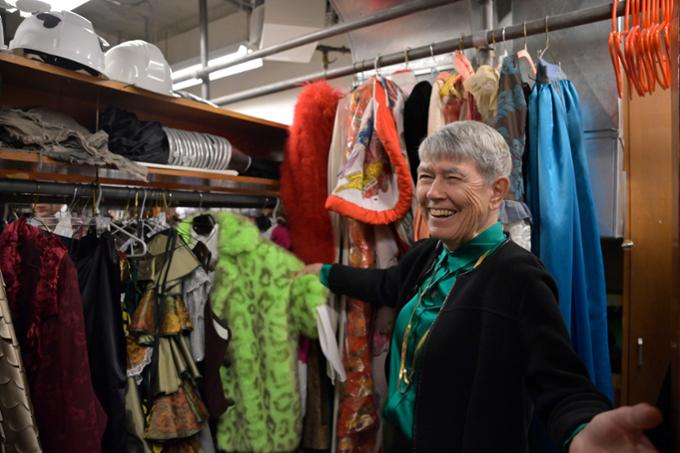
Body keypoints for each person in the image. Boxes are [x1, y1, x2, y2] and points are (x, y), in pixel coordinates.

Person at [299, 121, 661, 452]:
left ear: (496, 191)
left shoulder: (518, 277)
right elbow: (389, 285)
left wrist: (584, 427)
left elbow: (559, 381)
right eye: (427, 176)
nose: (433, 193)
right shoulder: (429, 253)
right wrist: (325, 272)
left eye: (453, 178)